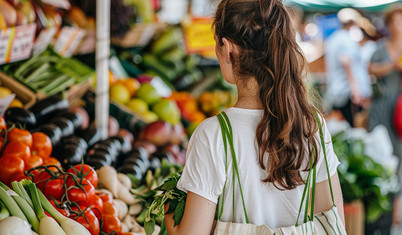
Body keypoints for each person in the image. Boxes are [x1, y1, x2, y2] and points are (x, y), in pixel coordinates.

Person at [165, 0, 345, 234]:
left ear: (228, 49)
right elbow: (332, 221)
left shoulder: (213, 134)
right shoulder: (312, 125)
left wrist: (170, 216)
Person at [368, 5, 402, 225]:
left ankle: (396, 209)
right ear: (389, 25)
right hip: (381, 106)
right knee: (379, 153)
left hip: (399, 110)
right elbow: (370, 68)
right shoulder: (381, 47)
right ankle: (380, 203)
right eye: (396, 22)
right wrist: (392, 65)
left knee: (399, 155)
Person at [325, 8, 372, 127]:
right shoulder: (346, 39)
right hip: (347, 93)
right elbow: (345, 61)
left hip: (337, 91)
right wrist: (356, 89)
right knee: (350, 128)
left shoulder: (333, 38)